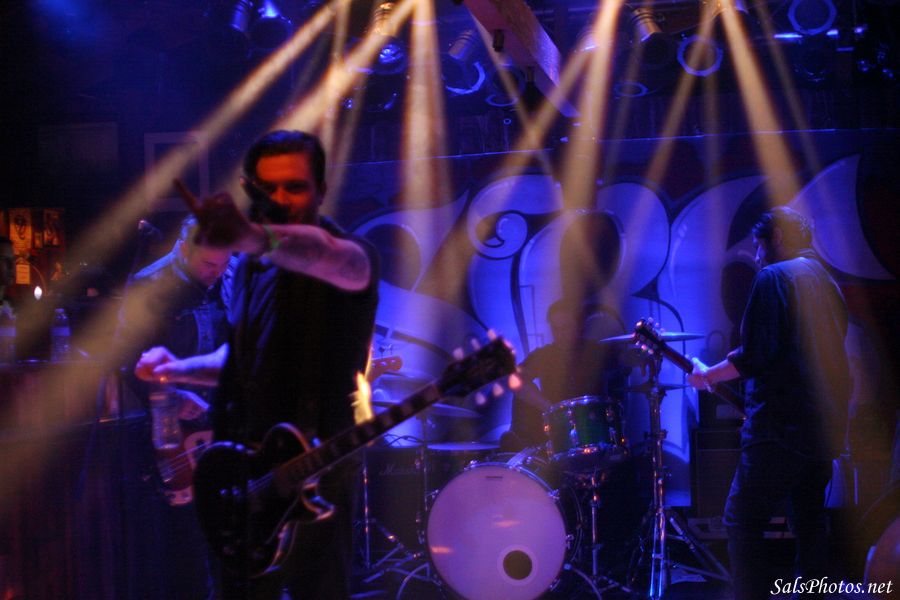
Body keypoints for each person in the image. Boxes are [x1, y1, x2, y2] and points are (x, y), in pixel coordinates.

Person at [135, 130, 379, 600]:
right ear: (250, 190)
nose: (281, 200)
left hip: (312, 472)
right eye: (268, 189)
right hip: (245, 472)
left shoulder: (349, 255)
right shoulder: (250, 268)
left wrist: (250, 235)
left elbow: (325, 254)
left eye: (296, 187)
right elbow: (241, 359)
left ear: (322, 191)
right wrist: (178, 367)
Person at [688, 207, 850, 600]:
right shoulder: (827, 281)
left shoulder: (773, 277)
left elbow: (756, 355)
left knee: (741, 520)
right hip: (823, 429)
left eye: (759, 246)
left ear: (776, 237)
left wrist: (708, 374)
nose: (757, 256)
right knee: (810, 522)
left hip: (779, 429)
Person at [117, 215, 234, 600]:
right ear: (183, 250)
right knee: (185, 545)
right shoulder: (149, 285)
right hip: (173, 435)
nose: (217, 272)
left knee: (230, 535)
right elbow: (128, 361)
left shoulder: (229, 279)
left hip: (222, 429)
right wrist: (175, 397)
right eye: (208, 264)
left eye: (223, 263)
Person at [501, 299, 627, 451]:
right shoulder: (544, 355)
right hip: (558, 430)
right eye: (555, 329)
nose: (560, 334)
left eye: (566, 327)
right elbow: (514, 379)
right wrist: (549, 408)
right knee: (522, 397)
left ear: (577, 326)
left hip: (594, 424)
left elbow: (625, 364)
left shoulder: (595, 351)